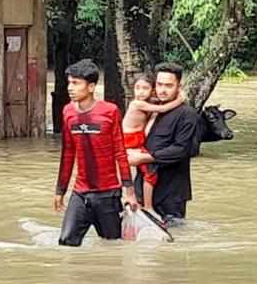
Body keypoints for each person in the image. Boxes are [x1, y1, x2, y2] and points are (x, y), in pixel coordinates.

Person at [54, 59, 138, 247]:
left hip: (108, 194)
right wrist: (60, 191)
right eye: (69, 82)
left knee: (113, 244)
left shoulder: (109, 111)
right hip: (80, 192)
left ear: (91, 87)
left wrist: (129, 191)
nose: (70, 88)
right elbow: (68, 154)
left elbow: (120, 152)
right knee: (66, 242)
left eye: (76, 83)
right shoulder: (68, 112)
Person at [127, 63, 201, 221]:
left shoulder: (186, 114)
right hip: (142, 189)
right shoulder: (150, 108)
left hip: (170, 195)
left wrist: (145, 157)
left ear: (179, 86)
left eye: (168, 85)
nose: (163, 90)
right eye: (159, 85)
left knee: (173, 240)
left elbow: (183, 149)